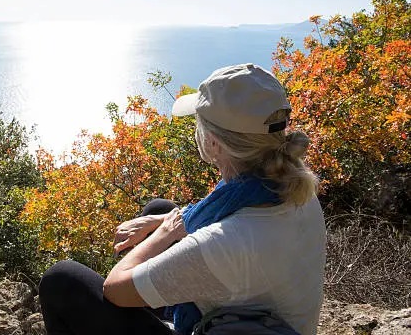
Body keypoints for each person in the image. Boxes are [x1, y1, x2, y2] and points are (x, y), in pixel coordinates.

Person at [38, 63, 326, 335]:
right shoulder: (293, 187)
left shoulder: (225, 243)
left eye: (198, 124)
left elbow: (114, 288)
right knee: (160, 209)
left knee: (62, 282)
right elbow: (222, 216)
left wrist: (162, 233)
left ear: (213, 142)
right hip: (261, 322)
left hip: (233, 317)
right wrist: (162, 219)